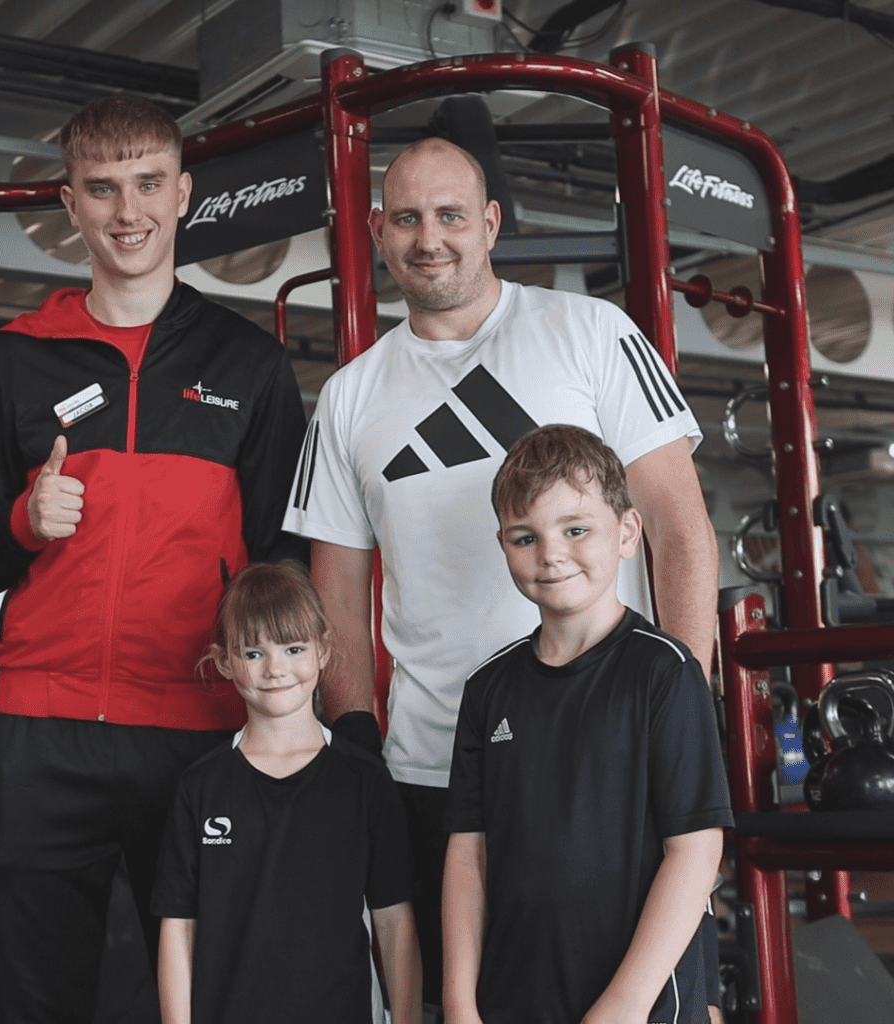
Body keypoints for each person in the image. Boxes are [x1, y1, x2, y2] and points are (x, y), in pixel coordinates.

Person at [283, 137, 721, 1013]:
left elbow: (679, 529)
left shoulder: (591, 333)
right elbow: (336, 588)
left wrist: (679, 717)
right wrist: (356, 731)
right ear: (376, 230)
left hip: (604, 757)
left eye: (450, 215)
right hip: (435, 765)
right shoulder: (350, 396)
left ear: (489, 224)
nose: (429, 238)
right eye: (407, 218)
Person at [0, 95, 307, 1024]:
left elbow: (283, 562)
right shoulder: (19, 360)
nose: (128, 210)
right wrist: (24, 521)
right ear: (71, 205)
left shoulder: (248, 364)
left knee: (211, 1000)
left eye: (149, 184)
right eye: (103, 189)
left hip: (199, 732)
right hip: (41, 735)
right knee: (35, 1005)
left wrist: (291, 721)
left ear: (183, 193)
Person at [443, 424, 732, 1024]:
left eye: (576, 530)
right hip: (513, 998)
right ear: (503, 544)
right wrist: (459, 1002)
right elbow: (469, 853)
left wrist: (623, 1007)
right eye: (526, 537)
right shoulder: (487, 689)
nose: (551, 554)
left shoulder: (666, 673)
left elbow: (696, 851)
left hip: (637, 1003)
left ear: (626, 533)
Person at [152, 561, 422, 1024]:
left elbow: (394, 920)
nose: (276, 669)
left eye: (293, 648)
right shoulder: (200, 787)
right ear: (224, 661)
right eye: (253, 653)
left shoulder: (363, 781)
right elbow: (179, 927)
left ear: (323, 650)